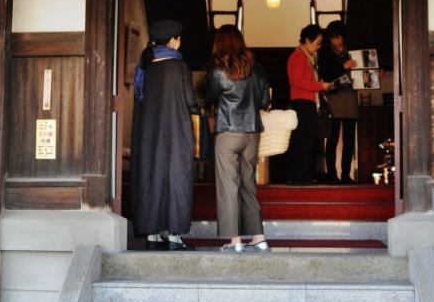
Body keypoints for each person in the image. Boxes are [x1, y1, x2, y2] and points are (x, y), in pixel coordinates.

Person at [130, 19, 197, 251]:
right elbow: (191, 101)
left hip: (147, 135)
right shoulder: (179, 67)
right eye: (178, 39)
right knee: (177, 178)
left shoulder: (144, 67)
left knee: (151, 178)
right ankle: (175, 238)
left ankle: (152, 237)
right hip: (175, 133)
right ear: (172, 42)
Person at [205, 25, 271, 253]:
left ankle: (235, 241)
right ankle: (259, 238)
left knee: (229, 186)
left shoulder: (219, 71)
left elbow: (210, 98)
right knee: (248, 185)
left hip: (228, 132)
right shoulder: (258, 70)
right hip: (252, 133)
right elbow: (264, 102)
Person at [286, 23, 332, 185]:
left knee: (303, 140)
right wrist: (321, 85)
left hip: (305, 102)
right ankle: (299, 176)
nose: (319, 47)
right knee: (303, 141)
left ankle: (298, 175)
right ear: (307, 40)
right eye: (317, 43)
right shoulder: (299, 56)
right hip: (302, 102)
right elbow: (297, 81)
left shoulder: (304, 56)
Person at [317, 20, 359, 184]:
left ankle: (346, 175)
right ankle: (332, 175)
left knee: (349, 139)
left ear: (344, 36)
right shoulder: (325, 52)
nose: (335, 41)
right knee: (332, 138)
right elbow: (326, 74)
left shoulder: (353, 49)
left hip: (350, 96)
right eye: (332, 38)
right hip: (333, 97)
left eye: (338, 37)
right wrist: (344, 66)